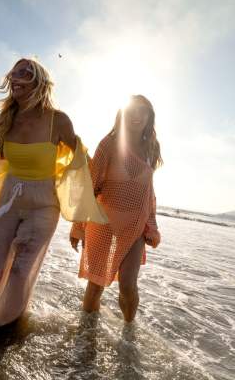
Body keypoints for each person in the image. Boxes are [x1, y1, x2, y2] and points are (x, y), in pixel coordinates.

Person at [0, 58, 108, 327]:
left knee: (20, 270)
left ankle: (1, 323)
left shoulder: (57, 121)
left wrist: (97, 191)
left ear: (39, 82)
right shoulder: (9, 119)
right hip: (8, 199)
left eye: (25, 72)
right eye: (14, 71)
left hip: (44, 205)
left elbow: (81, 158)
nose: (16, 76)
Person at [70, 95, 163, 323]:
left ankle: (128, 335)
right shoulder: (109, 143)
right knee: (96, 285)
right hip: (102, 222)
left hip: (135, 226)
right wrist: (78, 226)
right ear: (122, 113)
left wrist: (151, 226)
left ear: (149, 116)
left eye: (143, 111)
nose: (137, 115)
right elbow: (91, 186)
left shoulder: (151, 148)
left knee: (128, 286)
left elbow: (147, 193)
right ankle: (87, 336)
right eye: (132, 109)